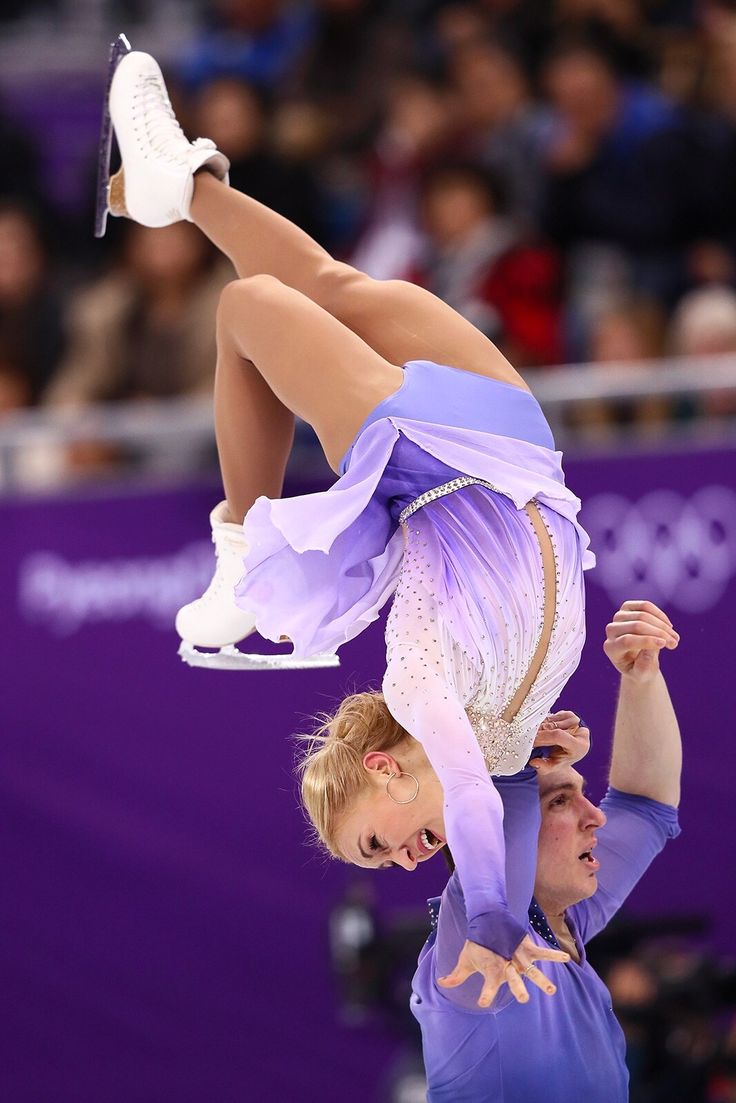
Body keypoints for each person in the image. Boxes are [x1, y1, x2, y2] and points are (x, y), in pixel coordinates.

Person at [102, 46, 599, 1006]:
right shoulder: (499, 750)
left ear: (379, 768)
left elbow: (466, 800)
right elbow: (498, 801)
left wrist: (493, 926)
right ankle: (186, 190)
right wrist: (551, 758)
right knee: (330, 286)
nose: (409, 862)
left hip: (437, 463)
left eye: (376, 840)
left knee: (251, 305)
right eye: (392, 860)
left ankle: (239, 539)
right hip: (518, 446)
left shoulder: (422, 688)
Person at [411, 598, 681, 1101]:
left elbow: (646, 807)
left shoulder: (564, 924)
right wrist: (516, 754)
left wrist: (641, 676)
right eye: (560, 800)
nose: (595, 816)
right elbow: (485, 810)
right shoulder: (471, 945)